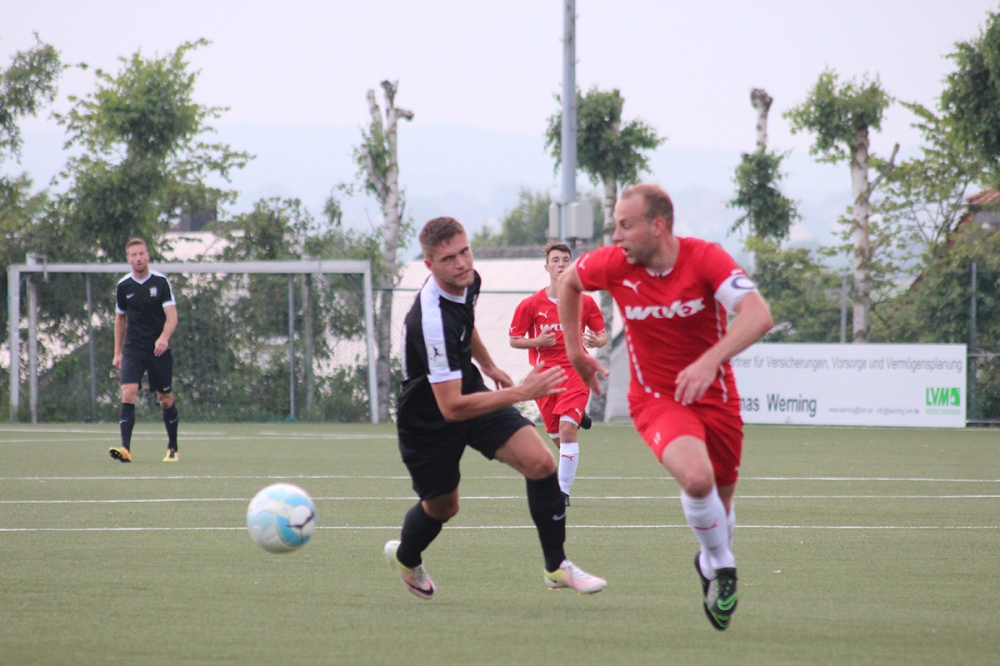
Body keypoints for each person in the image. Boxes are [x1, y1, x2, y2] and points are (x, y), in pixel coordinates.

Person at [557, 183, 773, 630]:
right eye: (614, 225)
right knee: (697, 478)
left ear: (658, 226)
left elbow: (758, 315)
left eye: (625, 225)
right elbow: (569, 283)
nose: (615, 235)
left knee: (721, 503)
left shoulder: (705, 258)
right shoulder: (614, 264)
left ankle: (709, 561)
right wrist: (576, 351)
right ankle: (724, 566)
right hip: (655, 398)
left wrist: (710, 361)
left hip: (716, 397)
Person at [385, 216, 606, 599]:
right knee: (443, 507)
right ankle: (406, 556)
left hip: (467, 388)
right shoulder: (431, 320)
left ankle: (556, 566)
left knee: (541, 463)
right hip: (427, 418)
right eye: (448, 259)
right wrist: (521, 392)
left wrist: (487, 366)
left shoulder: (468, 280)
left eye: (465, 252)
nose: (461, 263)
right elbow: (451, 408)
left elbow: (467, 322)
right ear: (429, 265)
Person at [509, 242, 607, 506]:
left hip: (576, 373)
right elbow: (514, 339)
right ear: (547, 267)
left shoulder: (585, 301)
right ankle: (577, 416)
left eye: (565, 260)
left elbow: (602, 334)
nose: (561, 264)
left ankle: (562, 493)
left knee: (566, 431)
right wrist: (537, 341)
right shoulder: (531, 304)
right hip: (546, 379)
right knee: (559, 439)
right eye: (555, 260)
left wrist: (597, 341)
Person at [109, 238, 180, 463]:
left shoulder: (160, 282)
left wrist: (164, 338)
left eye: (141, 254)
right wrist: (117, 351)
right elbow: (120, 319)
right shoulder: (123, 286)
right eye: (134, 255)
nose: (138, 258)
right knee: (128, 392)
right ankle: (125, 449)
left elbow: (172, 317)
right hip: (133, 349)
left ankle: (172, 447)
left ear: (147, 256)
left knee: (165, 398)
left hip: (158, 350)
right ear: (128, 259)